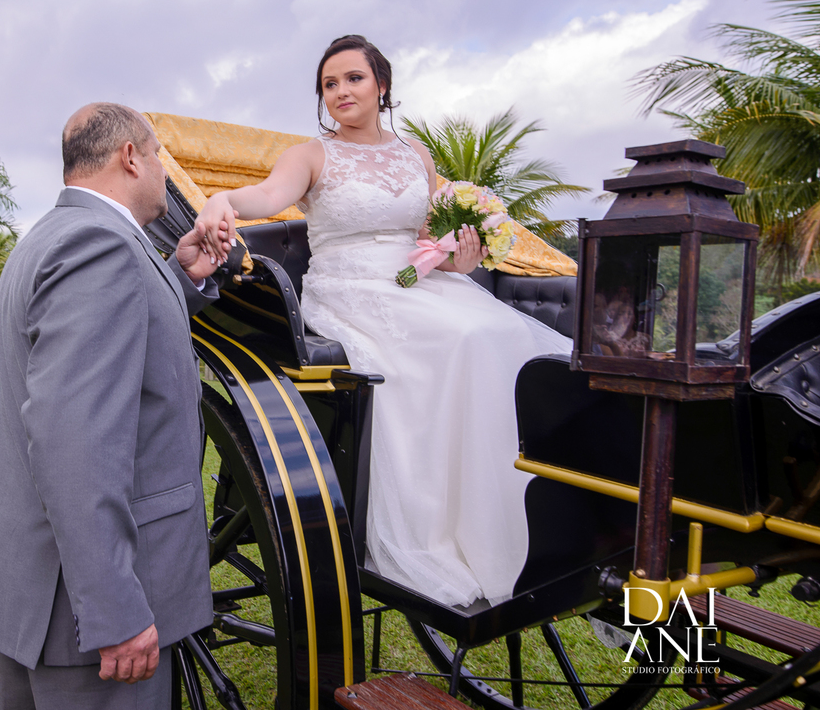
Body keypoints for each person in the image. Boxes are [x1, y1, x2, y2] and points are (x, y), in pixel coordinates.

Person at [195, 35, 572, 607]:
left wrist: (460, 254)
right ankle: (442, 531)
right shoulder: (311, 154)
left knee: (504, 333)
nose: (340, 92)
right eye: (329, 84)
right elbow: (269, 194)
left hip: (419, 281)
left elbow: (432, 238)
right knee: (469, 336)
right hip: (350, 286)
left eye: (353, 79)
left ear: (382, 86)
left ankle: (518, 514)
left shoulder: (415, 153)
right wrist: (223, 201)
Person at [0, 103, 233, 709]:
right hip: (85, 620)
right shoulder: (100, 248)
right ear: (130, 157)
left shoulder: (50, 239)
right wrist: (116, 611)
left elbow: (114, 343)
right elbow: (74, 442)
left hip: (38, 595)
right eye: (158, 155)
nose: (163, 170)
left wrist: (180, 277)